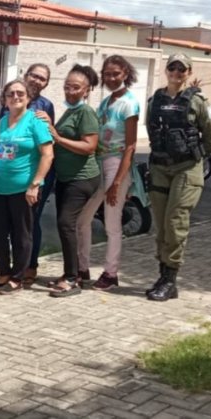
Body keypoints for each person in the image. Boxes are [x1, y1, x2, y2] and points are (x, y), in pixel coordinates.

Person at [145, 53, 211, 301]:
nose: (176, 73)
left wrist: (193, 156)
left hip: (186, 168)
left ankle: (170, 279)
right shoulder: (155, 99)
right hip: (159, 167)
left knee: (176, 222)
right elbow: (150, 129)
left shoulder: (198, 101)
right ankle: (162, 275)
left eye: (181, 69)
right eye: (172, 68)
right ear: (166, 70)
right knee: (162, 224)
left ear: (188, 72)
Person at [77, 55, 140, 291]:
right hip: (99, 163)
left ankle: (111, 273)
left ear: (125, 73)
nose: (111, 78)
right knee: (83, 219)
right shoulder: (105, 102)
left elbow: (131, 145)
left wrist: (118, 183)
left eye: (116, 73)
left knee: (112, 224)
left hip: (116, 165)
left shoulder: (129, 103)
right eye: (107, 74)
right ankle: (82, 268)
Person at [36, 64, 100, 298]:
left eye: (76, 88)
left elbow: (89, 146)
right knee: (67, 226)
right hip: (66, 178)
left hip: (81, 179)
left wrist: (58, 138)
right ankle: (72, 274)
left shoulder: (86, 113)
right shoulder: (71, 111)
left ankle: (73, 278)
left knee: (65, 224)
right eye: (66, 87)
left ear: (86, 90)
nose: (69, 91)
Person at [0, 79, 54, 293]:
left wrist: (35, 184)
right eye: (11, 94)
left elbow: (47, 154)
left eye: (20, 94)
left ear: (28, 98)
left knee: (22, 234)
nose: (15, 97)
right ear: (5, 99)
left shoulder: (35, 121)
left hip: (25, 189)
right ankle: (3, 274)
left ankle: (17, 277)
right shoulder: (1, 121)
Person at [22, 63, 56, 285]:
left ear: (46, 84)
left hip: (39, 173)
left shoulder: (45, 106)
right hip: (14, 172)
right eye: (34, 75)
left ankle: (30, 266)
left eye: (42, 79)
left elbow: (50, 139)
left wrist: (50, 123)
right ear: (26, 75)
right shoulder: (11, 97)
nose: (36, 80)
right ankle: (17, 264)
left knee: (32, 220)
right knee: (16, 221)